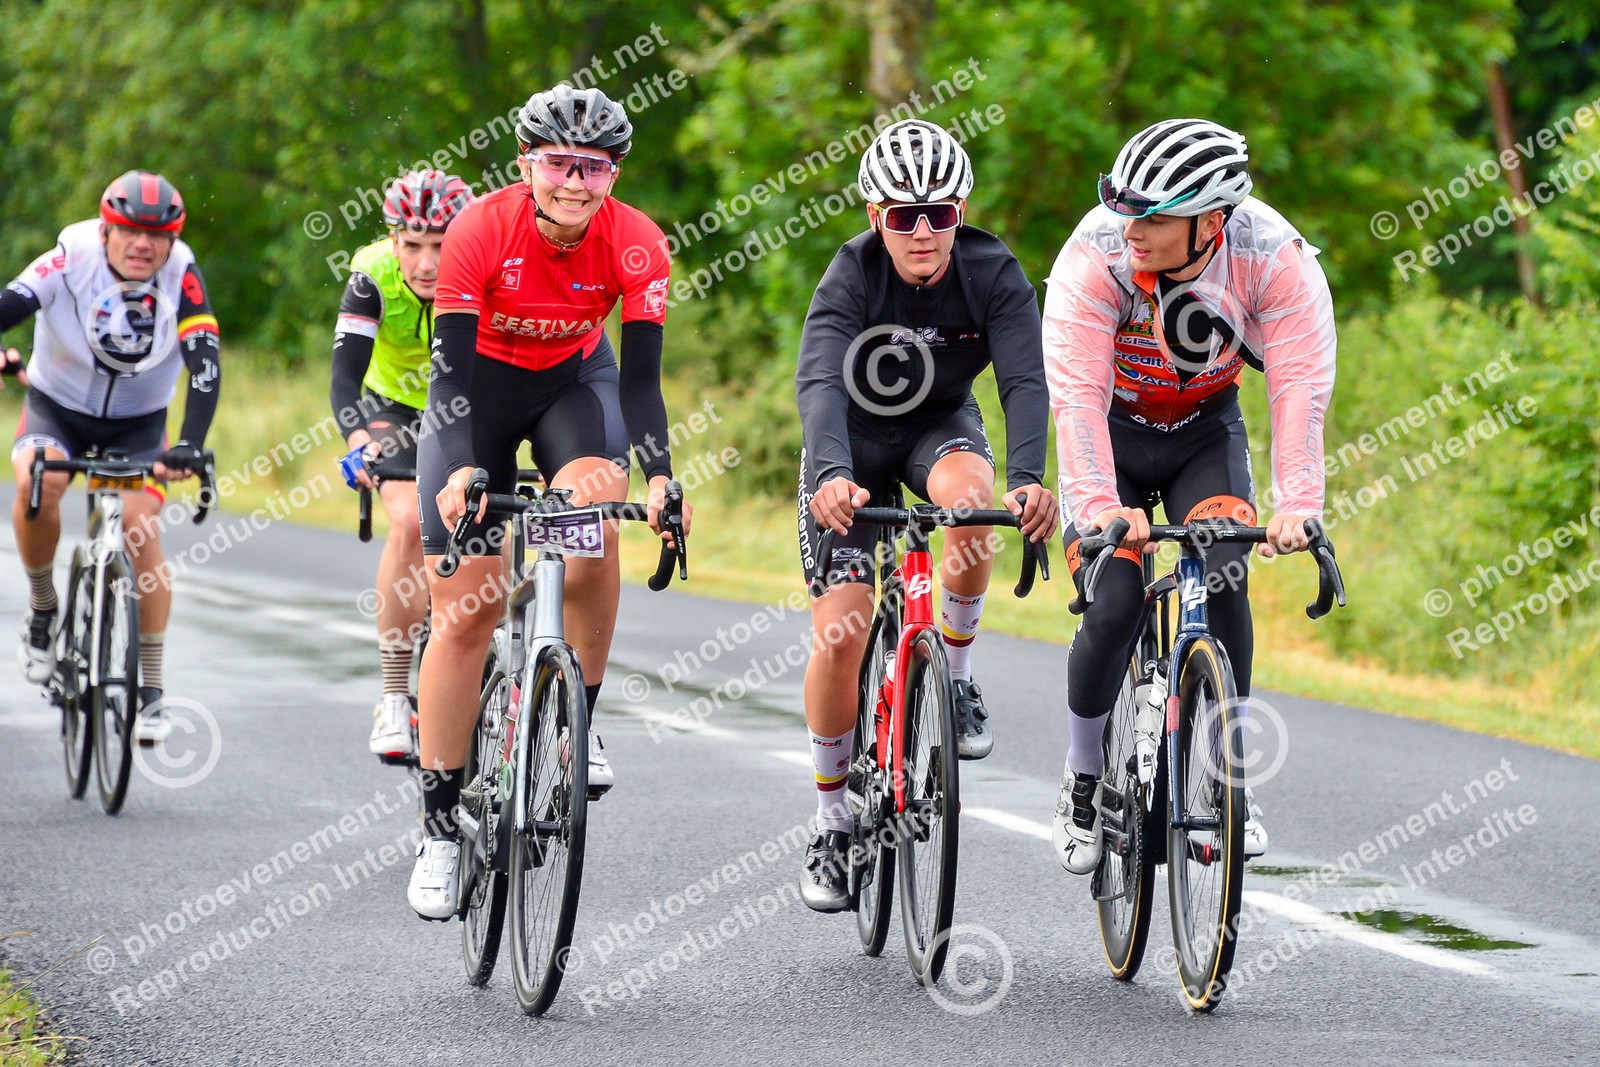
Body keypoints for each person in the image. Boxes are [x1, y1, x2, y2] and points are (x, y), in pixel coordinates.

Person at [406, 85, 689, 920]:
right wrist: (462, 467)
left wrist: (660, 475)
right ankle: (438, 829)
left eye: (593, 168)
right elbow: (449, 380)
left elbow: (640, 384)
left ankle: (573, 721)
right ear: (526, 163)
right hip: (478, 396)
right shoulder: (479, 230)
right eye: (559, 164)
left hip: (574, 386)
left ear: (614, 174)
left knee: (594, 523)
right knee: (464, 613)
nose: (574, 182)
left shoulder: (637, 242)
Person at [1043, 119, 1336, 874]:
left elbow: (1300, 385)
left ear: (1211, 222)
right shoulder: (1095, 254)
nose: (1132, 229)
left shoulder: (1273, 256)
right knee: (1114, 601)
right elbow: (1075, 396)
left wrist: (1300, 503)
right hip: (1109, 435)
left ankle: (1225, 773)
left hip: (1203, 435)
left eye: (1153, 217)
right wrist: (1099, 507)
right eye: (1125, 211)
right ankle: (1082, 775)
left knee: (1226, 565)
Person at [794, 119, 1056, 912]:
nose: (922, 231)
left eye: (939, 214)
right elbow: (819, 382)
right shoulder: (851, 274)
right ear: (875, 214)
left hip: (938, 429)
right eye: (903, 215)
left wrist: (1028, 479)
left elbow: (1024, 381)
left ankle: (958, 678)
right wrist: (831, 475)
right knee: (842, 629)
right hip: (852, 447)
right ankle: (831, 820)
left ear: (960, 212)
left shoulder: (992, 269)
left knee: (974, 505)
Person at [0, 170, 220, 742]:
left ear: (172, 240)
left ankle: (151, 689)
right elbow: (10, 305)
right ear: (105, 230)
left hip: (138, 424)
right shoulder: (70, 254)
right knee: (39, 485)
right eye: (129, 231)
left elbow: (205, 361)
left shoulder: (182, 270)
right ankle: (43, 609)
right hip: (57, 409)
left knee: (141, 529)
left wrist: (189, 445)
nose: (143, 245)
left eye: (158, 236)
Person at [330, 170, 472, 759]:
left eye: (442, 245)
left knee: (497, 525)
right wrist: (358, 438)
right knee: (412, 522)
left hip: (469, 403)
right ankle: (394, 696)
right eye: (412, 245)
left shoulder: (486, 266)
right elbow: (344, 377)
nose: (427, 263)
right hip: (393, 408)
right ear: (393, 240)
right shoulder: (372, 275)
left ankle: (506, 667)